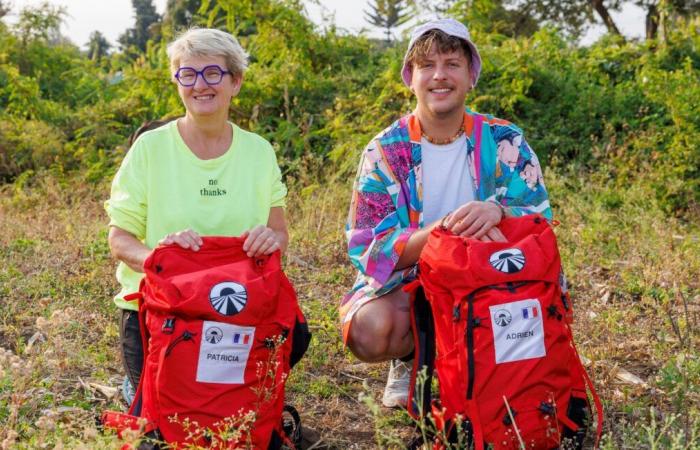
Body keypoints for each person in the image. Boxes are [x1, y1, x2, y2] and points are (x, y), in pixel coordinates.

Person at [341, 18, 552, 408]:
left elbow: (541, 221)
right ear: (411, 77)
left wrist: (498, 211)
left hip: (489, 279)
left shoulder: (505, 140)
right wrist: (439, 232)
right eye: (427, 65)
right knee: (371, 331)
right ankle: (411, 358)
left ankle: (491, 367)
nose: (440, 76)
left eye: (452, 64)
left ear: (471, 75)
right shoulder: (386, 151)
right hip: (412, 285)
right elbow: (367, 247)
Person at [104, 28, 288, 405]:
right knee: (163, 421)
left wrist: (270, 239)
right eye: (188, 74)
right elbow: (119, 238)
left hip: (235, 303)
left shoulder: (259, 152)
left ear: (235, 82)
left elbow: (279, 232)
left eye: (213, 73)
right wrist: (158, 256)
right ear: (177, 82)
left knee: (227, 410)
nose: (200, 85)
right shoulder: (150, 149)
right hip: (160, 306)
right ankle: (137, 389)